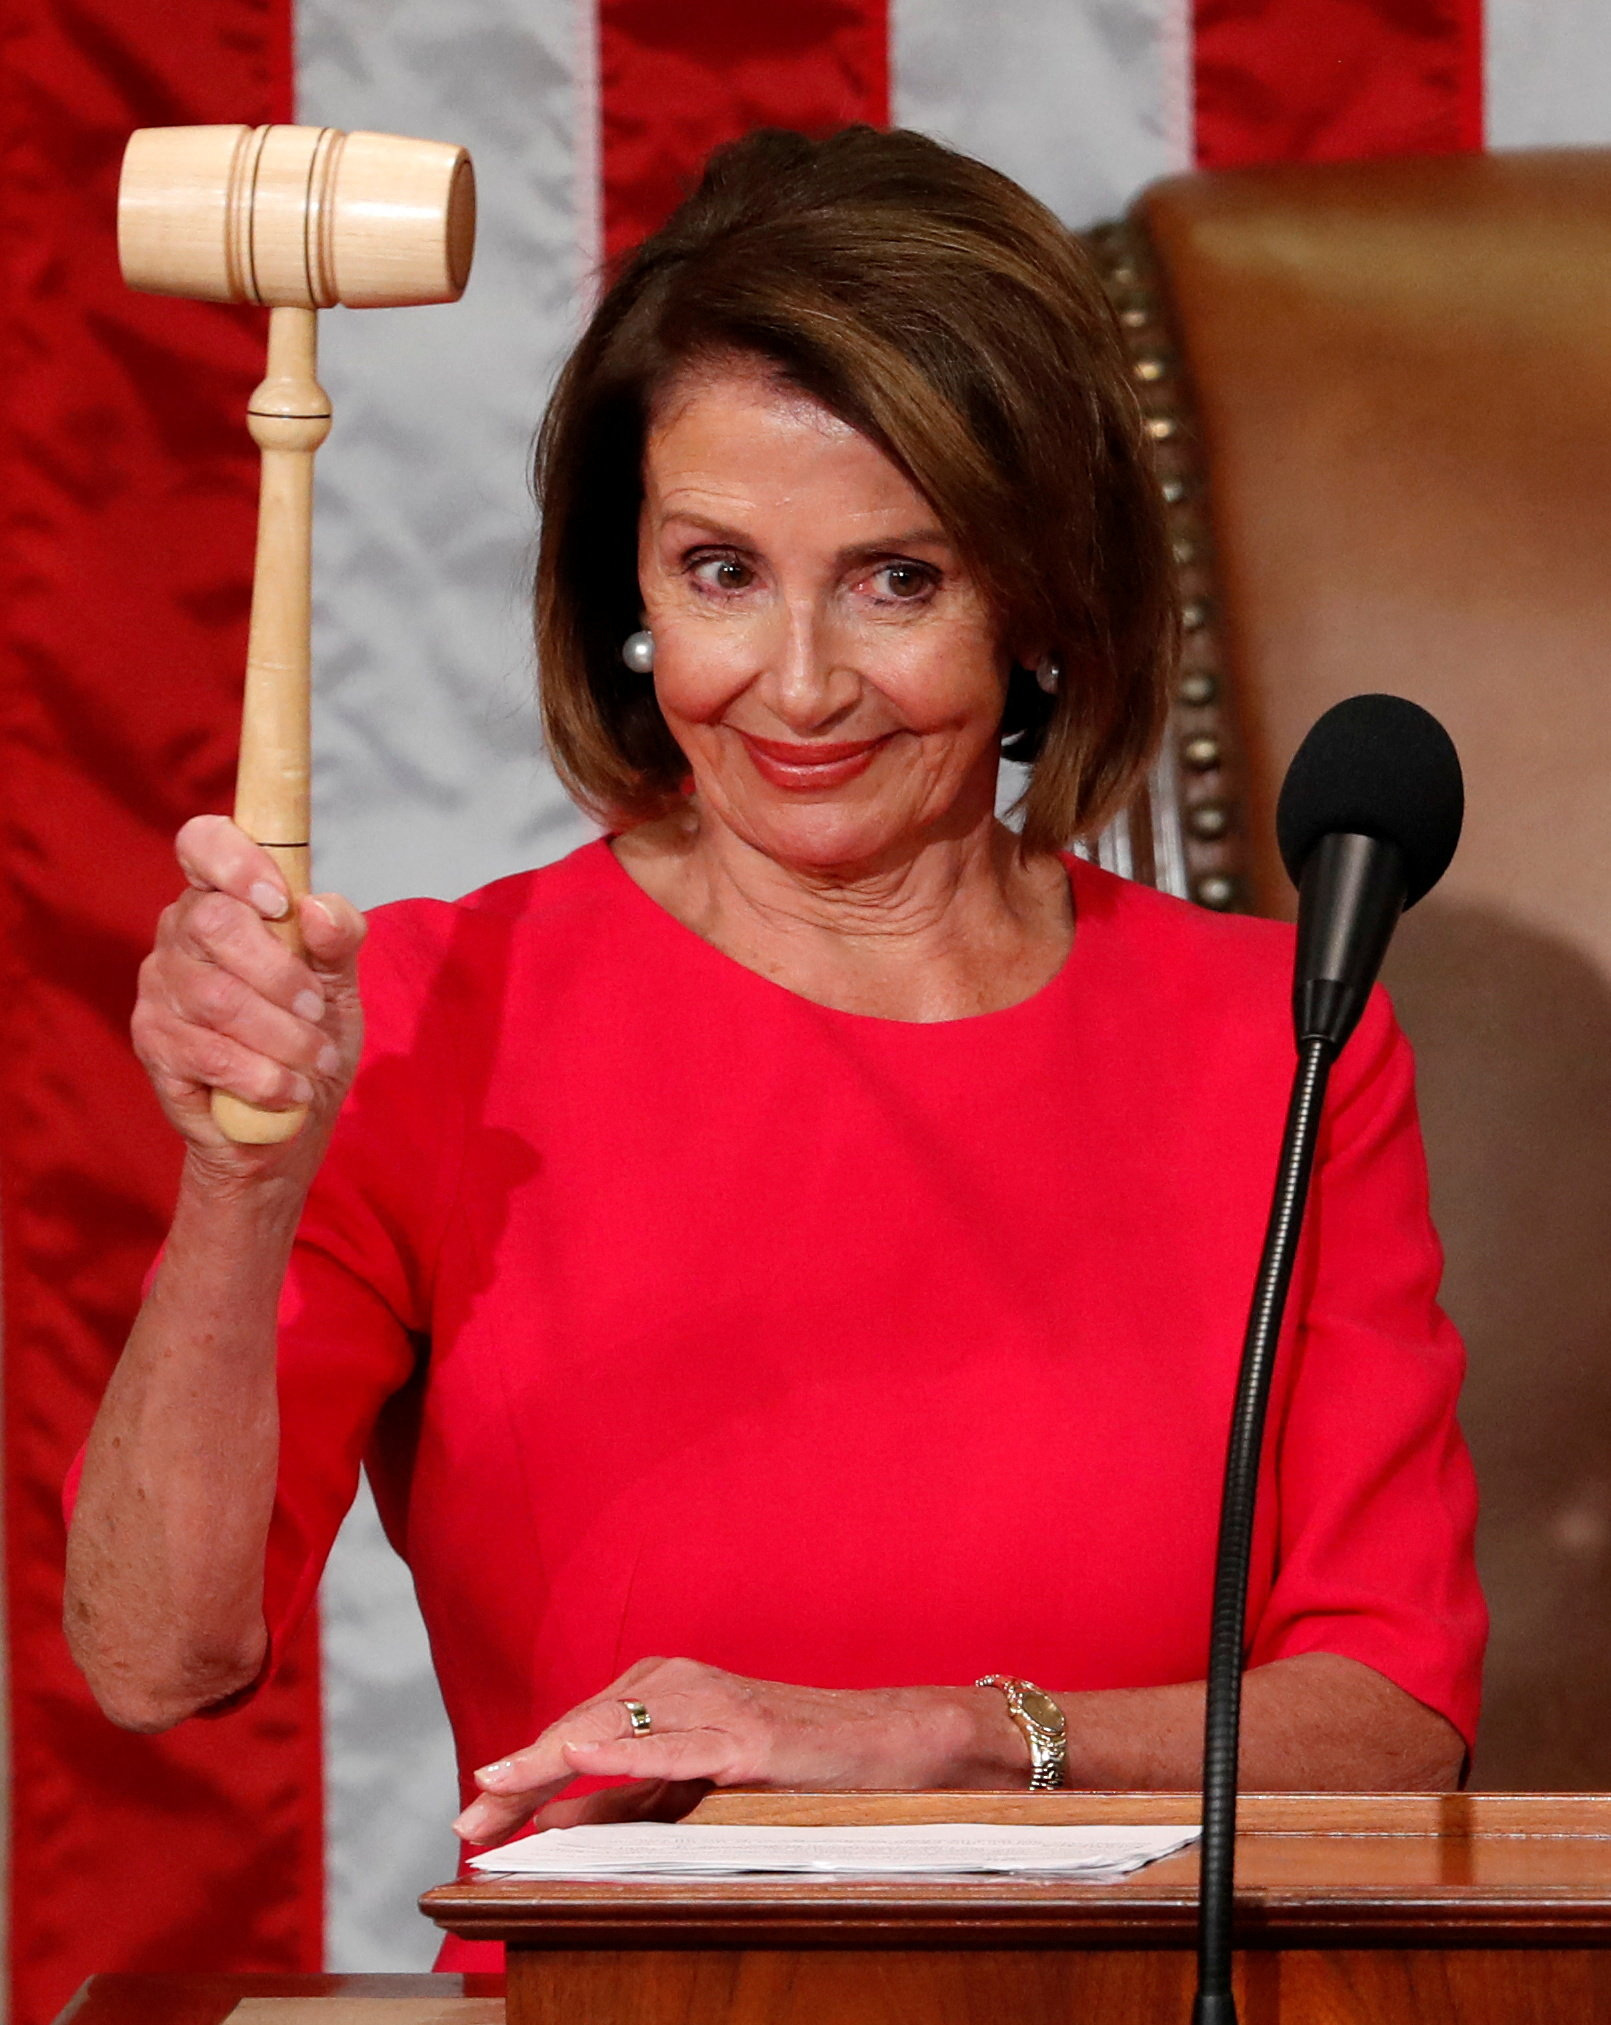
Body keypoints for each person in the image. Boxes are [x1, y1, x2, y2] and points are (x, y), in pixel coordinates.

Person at [66, 127, 1484, 1955]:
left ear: (1043, 595)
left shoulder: (1285, 1041)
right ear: (628, 590)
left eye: (897, 578)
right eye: (722, 570)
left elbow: (1393, 1724)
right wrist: (235, 1186)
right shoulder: (429, 1016)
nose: (799, 684)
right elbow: (158, 1657)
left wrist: (939, 1743)